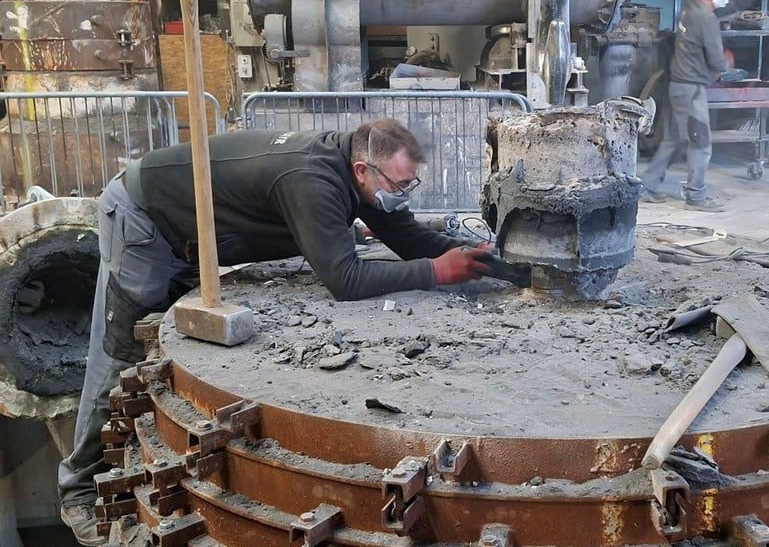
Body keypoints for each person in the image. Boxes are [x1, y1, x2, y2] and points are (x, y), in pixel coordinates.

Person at [57, 119, 493, 545]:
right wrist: (436, 271)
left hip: (192, 226)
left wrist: (472, 257)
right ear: (364, 170)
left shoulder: (356, 175)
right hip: (145, 217)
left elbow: (408, 237)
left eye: (409, 185)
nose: (402, 196)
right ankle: (77, 489)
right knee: (119, 351)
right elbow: (346, 279)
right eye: (399, 186)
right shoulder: (312, 180)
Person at [642, 0, 769, 211]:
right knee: (701, 143)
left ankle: (647, 186)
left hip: (678, 86)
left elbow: (731, 6)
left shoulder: (693, 7)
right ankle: (695, 196)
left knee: (672, 140)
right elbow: (717, 60)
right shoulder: (705, 19)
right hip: (692, 90)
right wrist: (729, 61)